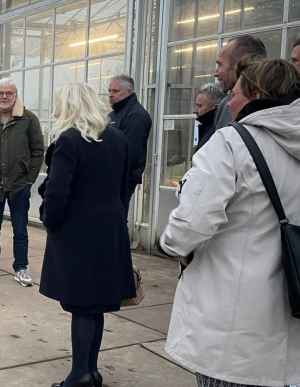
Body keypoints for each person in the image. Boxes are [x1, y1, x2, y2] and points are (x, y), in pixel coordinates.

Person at [158, 59, 300, 387]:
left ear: (254, 94)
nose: (228, 101)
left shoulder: (232, 143)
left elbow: (192, 222)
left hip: (232, 330)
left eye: (233, 94)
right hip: (289, 325)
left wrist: (172, 244)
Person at [39, 83, 136, 387]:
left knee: (81, 305)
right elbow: (123, 188)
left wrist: (50, 222)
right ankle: (90, 371)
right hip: (109, 230)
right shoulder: (118, 138)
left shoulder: (69, 140)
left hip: (78, 235)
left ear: (68, 106)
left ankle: (80, 374)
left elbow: (56, 192)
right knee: (95, 304)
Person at [0, 77, 44, 287]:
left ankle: (21, 268)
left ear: (16, 96)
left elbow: (38, 151)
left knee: (20, 229)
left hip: (19, 185)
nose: (4, 97)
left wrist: (29, 180)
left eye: (9, 93)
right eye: (0, 93)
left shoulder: (28, 120)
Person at [107, 74, 152, 217]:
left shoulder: (135, 115)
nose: (111, 95)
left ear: (128, 92)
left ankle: (121, 240)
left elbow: (130, 152)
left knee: (117, 219)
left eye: (115, 91)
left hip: (122, 178)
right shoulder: (115, 114)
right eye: (109, 91)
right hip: (113, 176)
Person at [212, 35, 267, 130]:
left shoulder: (274, 105)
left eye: (220, 65)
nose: (215, 73)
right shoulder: (225, 104)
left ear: (240, 64)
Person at [193, 83, 225, 152]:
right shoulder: (208, 128)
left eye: (200, 106)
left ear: (216, 107)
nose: (194, 110)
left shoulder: (218, 133)